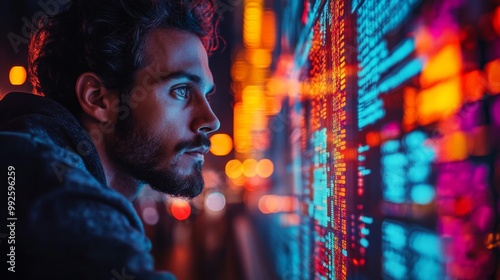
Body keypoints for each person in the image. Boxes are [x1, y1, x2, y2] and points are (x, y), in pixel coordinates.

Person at [0, 0, 221, 279]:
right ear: (98, 98)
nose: (212, 121)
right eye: (181, 90)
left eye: (207, 94)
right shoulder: (42, 179)